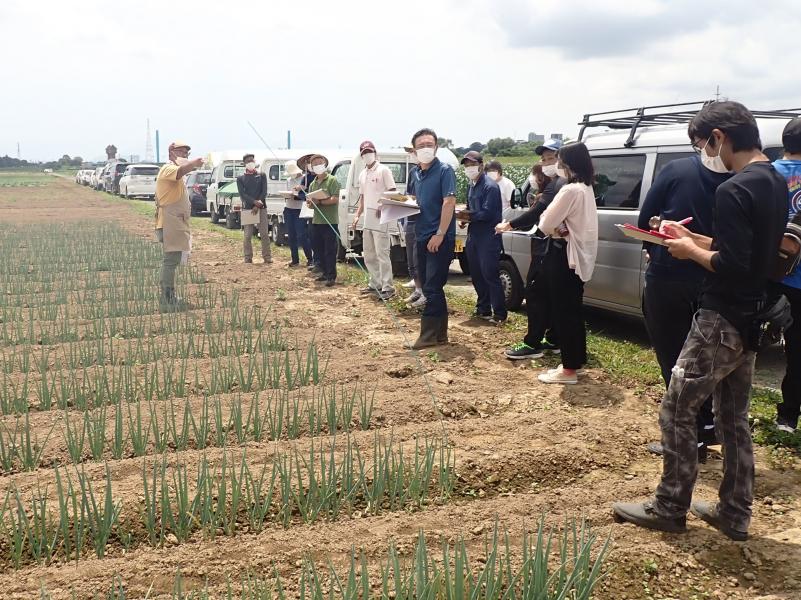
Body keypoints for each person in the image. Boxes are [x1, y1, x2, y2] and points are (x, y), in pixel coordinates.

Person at [613, 101, 789, 541]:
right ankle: (734, 512)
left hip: (720, 316)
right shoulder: (773, 182)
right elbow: (752, 256)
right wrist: (693, 236)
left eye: (703, 143)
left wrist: (689, 252)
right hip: (753, 316)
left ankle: (670, 505)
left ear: (720, 138)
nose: (705, 152)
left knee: (678, 406)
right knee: (734, 417)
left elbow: (730, 265)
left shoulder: (731, 189)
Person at [638, 144, 731, 461]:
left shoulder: (676, 170)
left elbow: (643, 220)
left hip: (671, 277)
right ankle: (705, 429)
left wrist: (657, 232)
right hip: (717, 278)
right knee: (706, 359)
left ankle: (686, 437)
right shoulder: (747, 176)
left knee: (674, 358)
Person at [497, 139, 566, 359]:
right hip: (556, 247)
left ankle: (532, 343)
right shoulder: (563, 183)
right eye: (544, 159)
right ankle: (555, 338)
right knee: (553, 295)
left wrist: (510, 224)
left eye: (551, 159)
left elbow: (537, 214)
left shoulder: (557, 185)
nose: (546, 163)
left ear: (562, 160)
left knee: (535, 295)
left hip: (547, 248)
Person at [408, 128, 457, 349]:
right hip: (421, 233)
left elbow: (448, 203)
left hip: (438, 236)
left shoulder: (445, 170)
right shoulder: (416, 173)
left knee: (433, 286)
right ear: (414, 150)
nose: (425, 149)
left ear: (436, 147)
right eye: (421, 146)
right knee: (431, 286)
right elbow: (413, 200)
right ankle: (440, 334)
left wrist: (440, 233)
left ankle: (427, 335)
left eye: (429, 144)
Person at [773, 117, 801, 433]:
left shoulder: (766, 174)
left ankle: (729, 409)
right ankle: (788, 417)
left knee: (743, 340)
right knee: (798, 350)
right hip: (800, 281)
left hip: (766, 274)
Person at [154, 141, 203, 310]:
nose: (184, 156)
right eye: (181, 152)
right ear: (171, 153)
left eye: (186, 154)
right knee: (170, 260)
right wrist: (192, 164)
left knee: (173, 260)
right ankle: (167, 297)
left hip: (175, 221)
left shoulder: (177, 172)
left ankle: (169, 295)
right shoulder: (169, 169)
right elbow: (181, 170)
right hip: (169, 222)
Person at [460, 151, 506, 324]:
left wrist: (467, 216)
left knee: (490, 274)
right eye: (466, 165)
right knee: (476, 273)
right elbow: (469, 206)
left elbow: (487, 213)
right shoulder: (471, 185)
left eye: (472, 164)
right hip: (474, 235)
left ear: (480, 165)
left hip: (488, 236)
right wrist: (464, 219)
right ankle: (483, 307)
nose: (469, 168)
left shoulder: (490, 186)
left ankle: (500, 313)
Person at [352, 141, 398, 300]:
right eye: (364, 153)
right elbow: (363, 198)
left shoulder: (384, 170)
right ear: (361, 155)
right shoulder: (362, 174)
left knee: (382, 252)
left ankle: (388, 287)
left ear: (375, 153)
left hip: (381, 216)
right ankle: (375, 283)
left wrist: (382, 204)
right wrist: (358, 215)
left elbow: (392, 191)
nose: (367, 155)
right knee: (369, 253)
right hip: (368, 217)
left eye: (369, 151)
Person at [307, 154, 341, 287]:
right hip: (317, 221)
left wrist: (319, 201)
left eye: (319, 163)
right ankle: (324, 273)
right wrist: (311, 203)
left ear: (325, 164)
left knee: (330, 250)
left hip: (330, 221)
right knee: (319, 249)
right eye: (314, 164)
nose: (317, 166)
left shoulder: (332, 180)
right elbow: (309, 204)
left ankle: (331, 276)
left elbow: (335, 199)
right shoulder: (312, 184)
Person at [402, 147, 426, 308]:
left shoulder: (437, 172)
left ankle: (425, 293)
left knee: (419, 260)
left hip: (422, 222)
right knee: (411, 259)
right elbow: (408, 193)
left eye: (413, 151)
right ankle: (417, 289)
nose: (412, 154)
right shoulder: (413, 172)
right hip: (410, 219)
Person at [237, 154, 271, 265]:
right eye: (248, 161)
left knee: (264, 234)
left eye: (252, 160)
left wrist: (258, 204)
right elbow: (243, 195)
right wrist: (253, 202)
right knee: (247, 236)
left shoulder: (262, 175)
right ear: (244, 164)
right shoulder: (240, 178)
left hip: (261, 207)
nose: (250, 162)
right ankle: (248, 257)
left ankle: (267, 257)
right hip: (248, 209)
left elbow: (264, 192)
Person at [284, 160, 312, 268]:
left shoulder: (304, 179)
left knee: (302, 235)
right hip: (289, 208)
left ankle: (310, 259)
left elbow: (305, 195)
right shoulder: (288, 180)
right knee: (291, 235)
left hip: (300, 209)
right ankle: (294, 259)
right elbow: (288, 192)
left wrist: (298, 194)